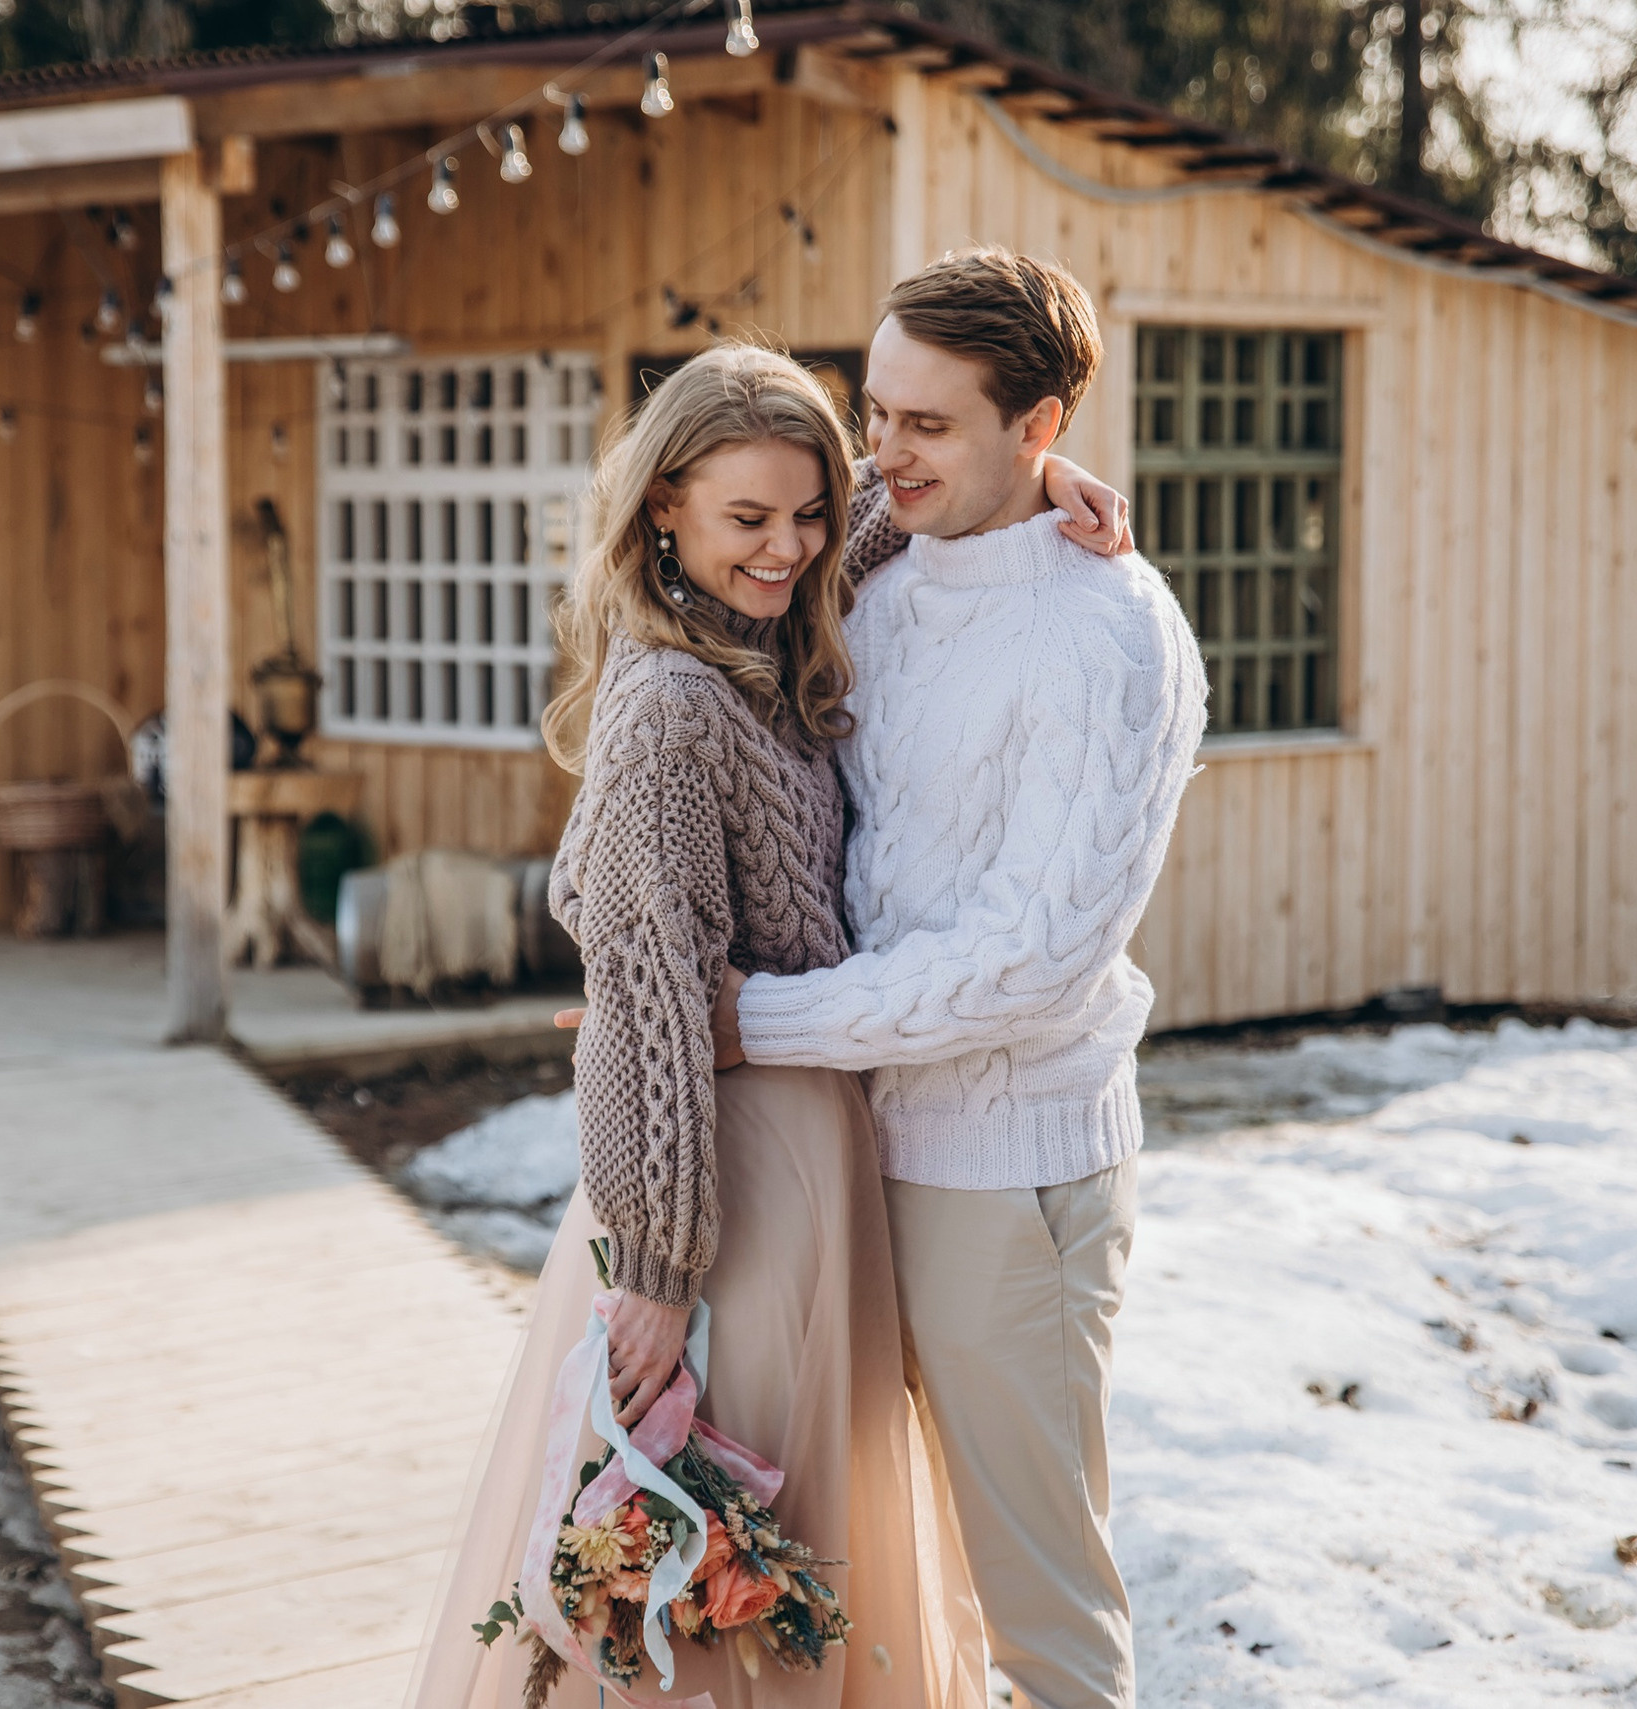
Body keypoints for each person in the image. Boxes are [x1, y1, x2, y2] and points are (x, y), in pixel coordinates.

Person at [406, 341, 1136, 1709]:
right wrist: (664, 1270)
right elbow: (653, 1022)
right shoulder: (673, 706)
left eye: (804, 514)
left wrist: (1039, 480)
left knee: (798, 1550)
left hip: (816, 1139)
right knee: (712, 1567)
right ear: (664, 505)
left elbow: (874, 506)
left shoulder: (761, 625)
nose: (790, 547)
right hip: (721, 1185)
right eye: (748, 520)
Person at [710, 251, 1208, 1709]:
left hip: (1007, 1181)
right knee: (884, 1582)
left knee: (1041, 1623)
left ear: (1037, 423)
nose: (885, 454)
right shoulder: (876, 562)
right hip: (856, 1155)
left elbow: (1029, 964)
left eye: (930, 424)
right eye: (877, 411)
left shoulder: (1113, 635)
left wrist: (754, 1018)